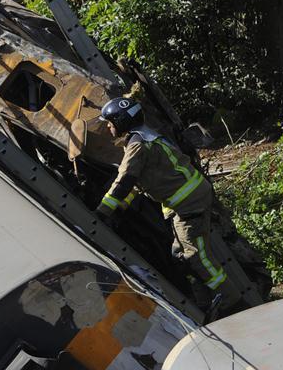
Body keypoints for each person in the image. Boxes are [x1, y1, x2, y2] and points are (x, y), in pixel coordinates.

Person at [94, 97, 243, 315]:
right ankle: (207, 299)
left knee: (195, 255)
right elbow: (138, 185)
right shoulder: (147, 136)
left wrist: (102, 211)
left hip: (188, 203)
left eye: (110, 122)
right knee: (179, 253)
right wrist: (121, 207)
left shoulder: (137, 146)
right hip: (189, 199)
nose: (108, 127)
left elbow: (124, 180)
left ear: (122, 121)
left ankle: (232, 302)